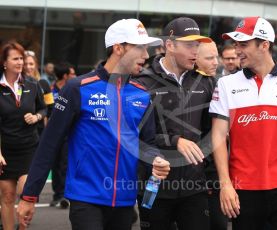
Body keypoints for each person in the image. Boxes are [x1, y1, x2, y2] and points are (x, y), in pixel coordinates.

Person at [16, 18, 170, 230]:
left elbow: (148, 144)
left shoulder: (142, 94)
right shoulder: (77, 88)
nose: (146, 55)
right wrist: (29, 196)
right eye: (140, 48)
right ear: (118, 48)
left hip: (125, 200)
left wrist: (157, 161)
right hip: (86, 198)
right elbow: (48, 145)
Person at [209, 16, 277, 230]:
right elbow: (218, 137)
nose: (237, 49)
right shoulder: (225, 84)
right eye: (235, 43)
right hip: (243, 190)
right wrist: (225, 184)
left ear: (264, 45)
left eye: (243, 44)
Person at [135, 17, 215, 230]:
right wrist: (175, 141)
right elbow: (136, 135)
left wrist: (202, 165)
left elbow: (212, 132)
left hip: (194, 187)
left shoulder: (205, 82)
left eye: (197, 45)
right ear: (169, 45)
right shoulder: (142, 82)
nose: (195, 51)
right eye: (190, 45)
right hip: (153, 185)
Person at [0, 41, 47, 230]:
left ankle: (23, 226)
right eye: (15, 58)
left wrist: (36, 116)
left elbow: (44, 109)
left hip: (29, 148)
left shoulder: (33, 84)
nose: (20, 62)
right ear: (4, 62)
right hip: (5, 150)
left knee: (26, 191)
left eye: (21, 58)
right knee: (7, 195)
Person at [196, 40, 228, 230]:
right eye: (209, 58)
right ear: (194, 58)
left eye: (216, 57)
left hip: (215, 168)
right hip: (190, 170)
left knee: (218, 223)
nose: (216, 62)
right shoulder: (186, 87)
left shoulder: (219, 85)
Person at [49, 62, 76, 209]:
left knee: (65, 164)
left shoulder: (72, 89)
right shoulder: (51, 89)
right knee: (54, 164)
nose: (74, 76)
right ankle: (57, 194)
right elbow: (47, 109)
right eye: (71, 73)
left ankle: (65, 195)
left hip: (68, 133)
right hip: (53, 133)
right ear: (65, 75)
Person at [23, 50, 54, 135]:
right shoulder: (15, 84)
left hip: (39, 130)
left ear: (36, 65)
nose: (28, 67)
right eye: (25, 64)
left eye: (31, 64)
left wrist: (39, 117)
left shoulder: (43, 83)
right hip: (19, 131)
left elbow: (50, 107)